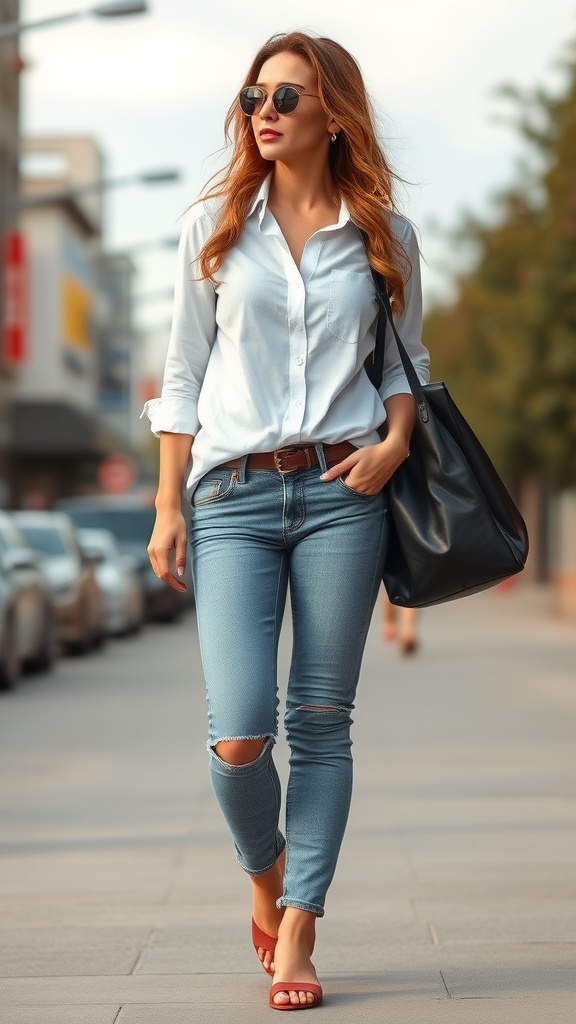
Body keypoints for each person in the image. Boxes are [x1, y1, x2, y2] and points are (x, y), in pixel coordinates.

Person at [144, 30, 429, 1011]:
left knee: (322, 720)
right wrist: (164, 506)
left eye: (288, 96)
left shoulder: (382, 232)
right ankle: (265, 876)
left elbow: (405, 365)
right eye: (256, 94)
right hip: (229, 498)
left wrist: (393, 444)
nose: (265, 110)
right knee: (238, 735)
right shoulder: (213, 227)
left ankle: (299, 923)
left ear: (332, 113)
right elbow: (181, 375)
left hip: (344, 490)